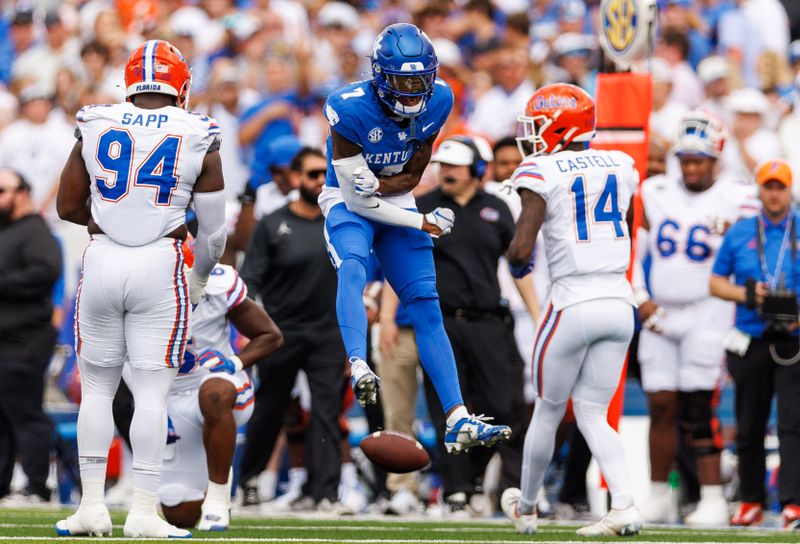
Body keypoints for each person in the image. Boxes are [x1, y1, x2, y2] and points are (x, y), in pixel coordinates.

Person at [55, 40, 226, 538]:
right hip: (161, 261)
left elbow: (67, 207)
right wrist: (197, 279)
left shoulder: (95, 119)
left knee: (97, 390)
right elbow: (214, 234)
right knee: (151, 392)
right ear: (182, 86)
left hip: (102, 258)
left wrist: (114, 223)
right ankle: (143, 512)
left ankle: (91, 507)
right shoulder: (199, 131)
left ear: (129, 83)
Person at [320, 22, 511, 454]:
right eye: (402, 82)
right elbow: (358, 200)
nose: (412, 91)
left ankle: (457, 416)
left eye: (420, 81)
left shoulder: (440, 98)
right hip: (347, 202)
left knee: (426, 302)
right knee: (352, 262)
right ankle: (357, 361)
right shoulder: (347, 109)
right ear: (380, 77)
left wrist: (392, 194)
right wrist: (419, 222)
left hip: (397, 198)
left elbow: (412, 173)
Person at [500, 83, 642, 537]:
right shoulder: (621, 164)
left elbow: (522, 248)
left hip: (571, 302)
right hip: (619, 299)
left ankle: (526, 507)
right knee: (593, 412)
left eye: (538, 125)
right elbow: (629, 223)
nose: (531, 135)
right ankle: (623, 505)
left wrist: (515, 258)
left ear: (560, 125)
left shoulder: (540, 169)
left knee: (547, 408)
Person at [634, 111, 755, 526]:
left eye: (699, 159)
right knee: (660, 403)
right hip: (661, 310)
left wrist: (736, 228)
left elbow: (757, 249)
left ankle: (712, 497)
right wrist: (640, 297)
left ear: (716, 158)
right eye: (685, 159)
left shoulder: (738, 195)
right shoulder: (655, 190)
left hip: (710, 310)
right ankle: (658, 495)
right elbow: (634, 250)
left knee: (700, 405)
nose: (691, 167)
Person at [416, 136, 523, 514]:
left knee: (501, 406)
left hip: (488, 319)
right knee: (446, 407)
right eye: (443, 166)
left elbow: (517, 263)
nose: (446, 172)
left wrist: (539, 313)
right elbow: (403, 263)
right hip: (439, 322)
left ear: (477, 170)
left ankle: (473, 477)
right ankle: (456, 491)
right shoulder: (423, 207)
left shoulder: (495, 208)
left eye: (455, 166)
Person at [239, 147, 348, 510]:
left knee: (327, 413)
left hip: (328, 334)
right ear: (297, 178)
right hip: (281, 333)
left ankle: (325, 492)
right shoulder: (271, 224)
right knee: (269, 410)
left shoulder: (340, 222)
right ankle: (249, 481)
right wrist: (253, 329)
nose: (320, 181)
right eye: (313, 174)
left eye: (324, 175)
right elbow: (249, 280)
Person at [159, 251, 283, 531]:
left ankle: (218, 496)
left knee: (214, 393)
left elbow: (270, 335)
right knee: (181, 515)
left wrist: (234, 362)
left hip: (218, 383)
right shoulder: (138, 291)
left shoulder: (217, 286)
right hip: (169, 395)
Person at [710, 159, 800, 529]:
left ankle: (793, 502)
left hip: (794, 339)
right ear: (759, 190)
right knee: (749, 424)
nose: (774, 193)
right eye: (768, 186)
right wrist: (750, 295)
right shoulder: (741, 231)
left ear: (789, 189)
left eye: (780, 186)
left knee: (793, 424)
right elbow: (715, 284)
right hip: (750, 336)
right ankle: (751, 500)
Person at [0, 168, 61, 504]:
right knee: (3, 419)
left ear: (22, 193)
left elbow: (47, 270)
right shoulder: (7, 232)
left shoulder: (34, 231)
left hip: (24, 340)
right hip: (5, 340)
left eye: (2, 190)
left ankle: (38, 485)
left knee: (25, 414)